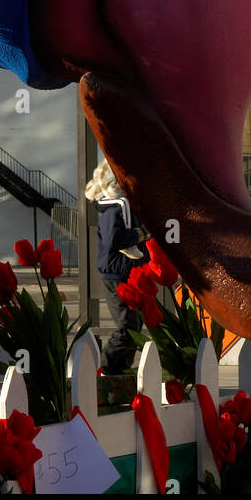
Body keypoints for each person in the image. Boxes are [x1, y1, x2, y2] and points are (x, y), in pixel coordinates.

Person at [85, 158, 149, 374]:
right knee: (127, 329)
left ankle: (119, 373)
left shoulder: (124, 209)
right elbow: (115, 240)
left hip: (126, 272)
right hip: (117, 274)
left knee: (133, 327)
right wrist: (142, 234)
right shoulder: (115, 210)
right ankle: (107, 370)